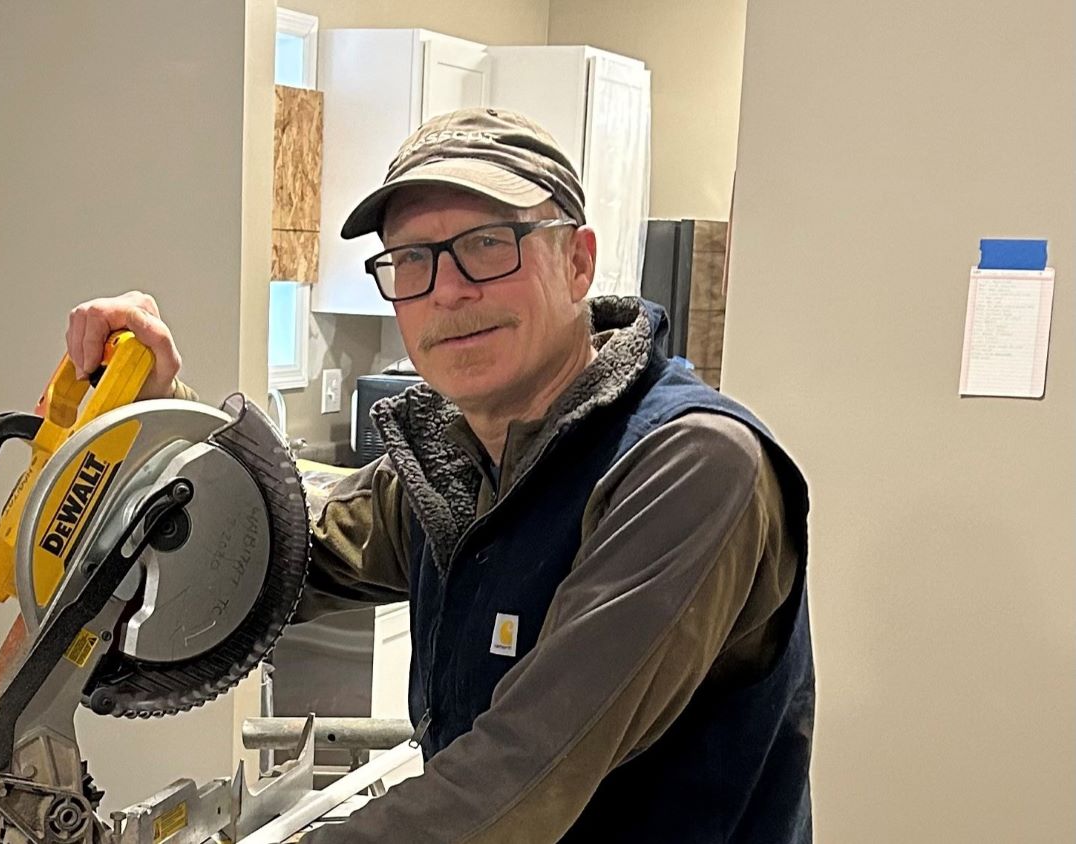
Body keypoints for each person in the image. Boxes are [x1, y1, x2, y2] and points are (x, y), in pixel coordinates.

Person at [65, 108, 814, 843]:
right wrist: (159, 412)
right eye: (413, 262)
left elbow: (522, 776)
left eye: (489, 245)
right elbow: (261, 552)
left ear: (577, 261)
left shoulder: (692, 466)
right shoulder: (454, 466)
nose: (448, 292)